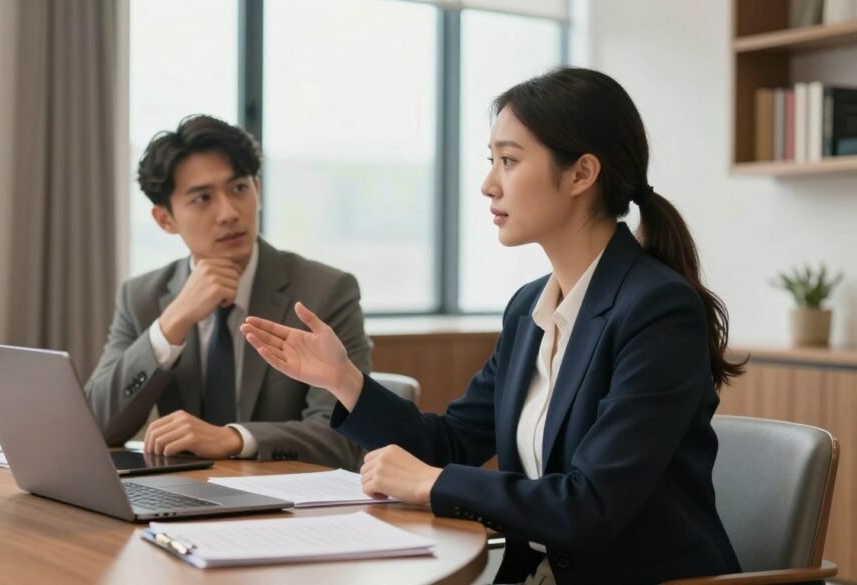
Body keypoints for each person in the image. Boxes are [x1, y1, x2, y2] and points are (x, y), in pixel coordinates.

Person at [241, 67, 744, 585]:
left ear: (581, 174)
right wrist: (343, 380)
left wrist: (434, 484)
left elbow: (592, 505)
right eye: (492, 161)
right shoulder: (530, 307)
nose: (488, 185)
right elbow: (451, 442)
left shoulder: (658, 310)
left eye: (508, 160)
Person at [84, 114, 369, 470]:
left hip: (286, 505)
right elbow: (95, 425)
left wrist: (236, 438)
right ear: (164, 219)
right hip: (181, 500)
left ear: (258, 191)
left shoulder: (324, 291)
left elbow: (345, 437)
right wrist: (172, 321)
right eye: (203, 198)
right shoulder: (141, 296)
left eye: (238, 189)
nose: (229, 213)